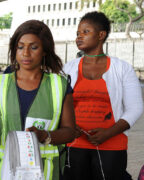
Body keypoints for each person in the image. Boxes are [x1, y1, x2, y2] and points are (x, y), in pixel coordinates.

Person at [0, 20, 76, 180]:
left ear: (44, 51)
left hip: (45, 173)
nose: (26, 53)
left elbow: (70, 132)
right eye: (20, 47)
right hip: (6, 172)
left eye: (34, 47)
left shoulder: (60, 85)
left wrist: (45, 136)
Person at [63, 11, 143, 180]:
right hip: (74, 143)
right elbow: (59, 104)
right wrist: (68, 126)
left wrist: (109, 133)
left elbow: (135, 108)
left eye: (85, 32)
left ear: (101, 35)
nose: (79, 37)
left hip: (112, 146)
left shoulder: (122, 68)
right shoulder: (68, 68)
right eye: (78, 33)